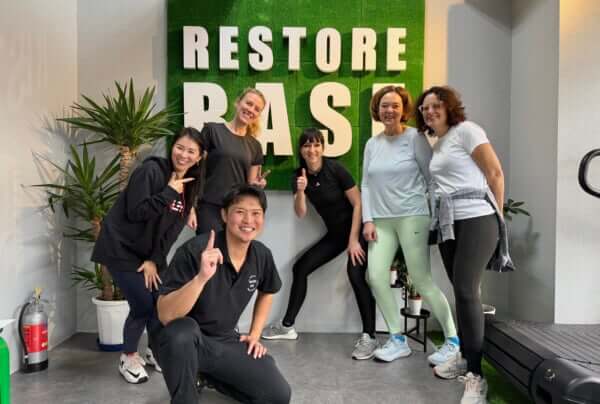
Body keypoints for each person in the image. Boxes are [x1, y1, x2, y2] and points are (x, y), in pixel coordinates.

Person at [415, 86, 509, 404]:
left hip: (477, 217)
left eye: (436, 105)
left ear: (449, 107)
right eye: (425, 108)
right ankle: (466, 358)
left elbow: (495, 173)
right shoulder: (440, 143)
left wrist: (498, 218)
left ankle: (476, 377)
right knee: (462, 291)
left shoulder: (467, 130)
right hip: (448, 221)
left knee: (467, 291)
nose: (430, 111)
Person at [156, 185, 291, 404]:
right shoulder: (195, 251)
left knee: (277, 395)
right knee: (182, 332)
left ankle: (207, 377)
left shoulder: (261, 255)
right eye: (240, 212)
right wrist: (201, 278)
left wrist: (254, 335)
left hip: (224, 341)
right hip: (182, 342)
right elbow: (166, 315)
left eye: (256, 213)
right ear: (224, 215)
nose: (248, 220)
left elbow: (268, 291)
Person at [91, 127, 205, 384]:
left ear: (199, 157)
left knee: (160, 302)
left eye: (191, 151)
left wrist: (154, 259)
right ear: (172, 147)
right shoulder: (151, 171)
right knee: (143, 305)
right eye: (180, 147)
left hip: (147, 253)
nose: (183, 155)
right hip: (121, 247)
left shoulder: (190, 185)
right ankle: (128, 357)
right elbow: (136, 212)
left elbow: (172, 230)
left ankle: (155, 351)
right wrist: (169, 192)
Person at [361, 85, 459, 364]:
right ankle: (397, 339)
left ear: (403, 110)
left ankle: (452, 340)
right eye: (384, 105)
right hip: (381, 221)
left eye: (395, 105)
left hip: (413, 216)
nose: (389, 110)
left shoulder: (415, 138)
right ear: (377, 110)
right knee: (375, 276)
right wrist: (368, 219)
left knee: (421, 279)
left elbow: (432, 178)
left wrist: (434, 216)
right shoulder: (372, 144)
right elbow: (365, 184)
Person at [261, 128, 378, 360]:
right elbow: (300, 212)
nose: (312, 150)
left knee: (355, 276)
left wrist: (354, 240)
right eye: (307, 145)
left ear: (323, 148)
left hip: (356, 231)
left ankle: (370, 336)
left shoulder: (335, 169)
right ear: (301, 150)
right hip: (335, 235)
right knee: (300, 268)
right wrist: (301, 191)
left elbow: (358, 203)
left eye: (316, 145)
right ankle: (287, 326)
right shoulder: (299, 175)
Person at [189, 88, 268, 234]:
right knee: (210, 247)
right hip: (209, 207)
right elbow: (194, 168)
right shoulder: (212, 130)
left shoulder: (255, 146)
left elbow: (250, 184)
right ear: (238, 103)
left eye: (257, 109)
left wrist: (257, 185)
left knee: (232, 250)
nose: (251, 110)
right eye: (249, 103)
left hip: (237, 212)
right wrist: (190, 206)